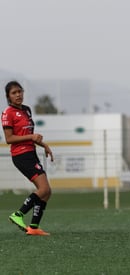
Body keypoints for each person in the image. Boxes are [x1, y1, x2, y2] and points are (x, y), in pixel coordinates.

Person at [2, 81, 53, 236]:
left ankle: (34, 227)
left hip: (31, 153)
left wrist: (44, 145)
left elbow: (29, 137)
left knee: (47, 192)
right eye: (14, 93)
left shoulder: (27, 110)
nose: (18, 95)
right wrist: (32, 136)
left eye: (20, 91)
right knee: (43, 189)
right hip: (21, 156)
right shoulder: (8, 113)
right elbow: (9, 139)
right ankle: (18, 214)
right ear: (8, 96)